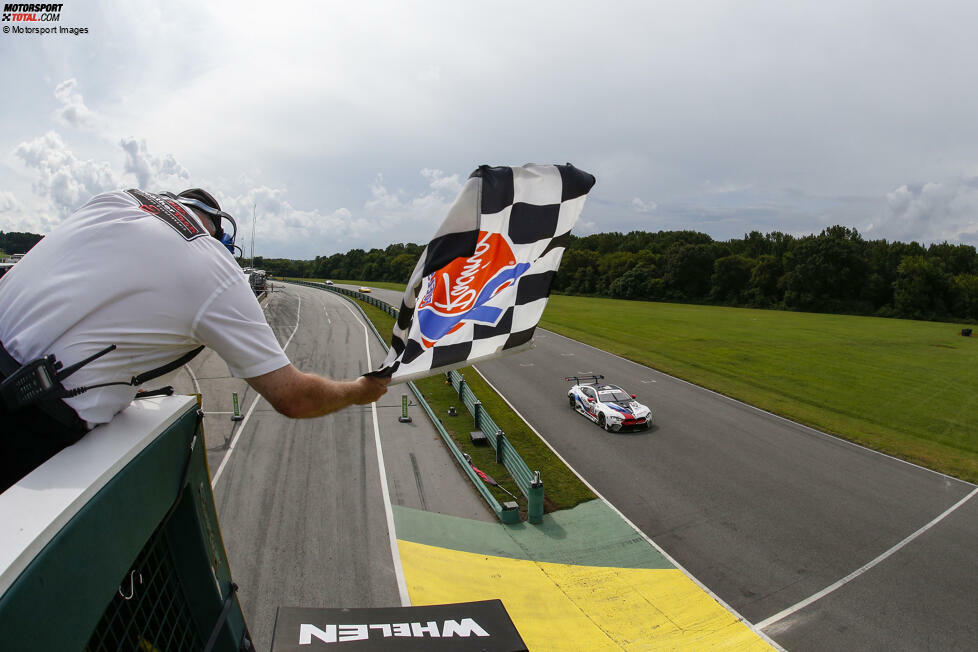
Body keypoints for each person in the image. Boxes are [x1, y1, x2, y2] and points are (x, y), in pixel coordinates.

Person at [0, 188, 388, 491]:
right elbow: (292, 396)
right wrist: (358, 390)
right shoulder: (212, 264)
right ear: (218, 231)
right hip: (33, 419)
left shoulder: (116, 200)